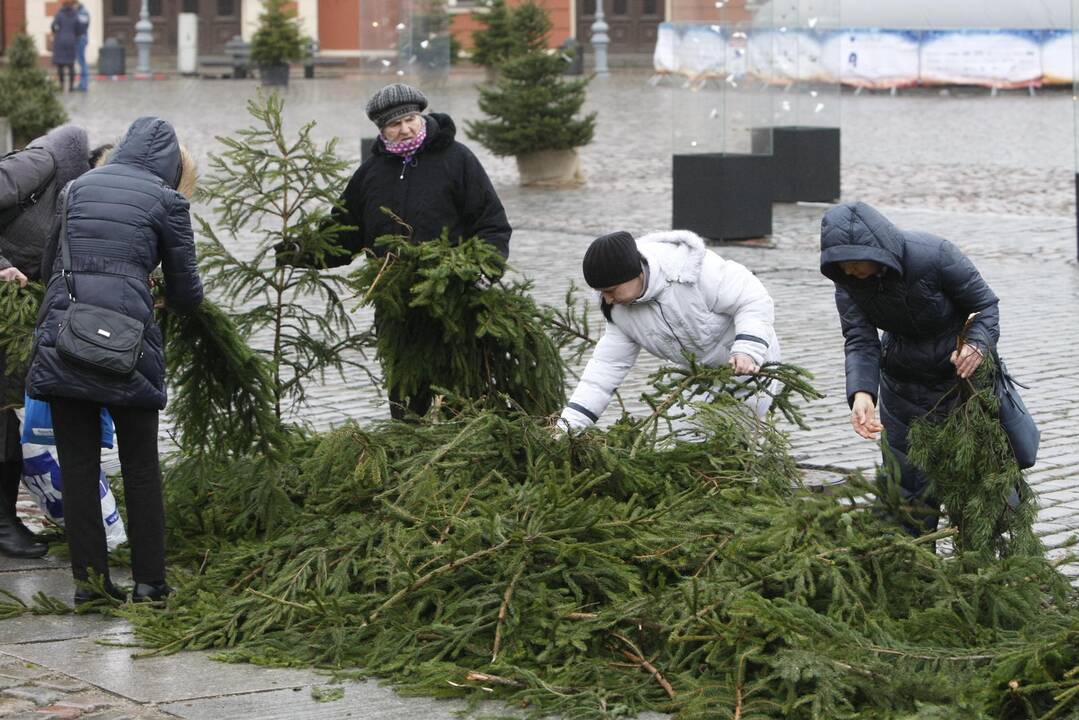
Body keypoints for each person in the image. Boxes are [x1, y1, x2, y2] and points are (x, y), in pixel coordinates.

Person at [27, 117, 203, 604]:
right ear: (172, 165)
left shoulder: (78, 187)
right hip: (130, 347)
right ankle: (151, 584)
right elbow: (188, 293)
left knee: (79, 466)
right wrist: (156, 293)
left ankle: (90, 586)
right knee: (141, 467)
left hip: (67, 336)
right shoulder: (168, 201)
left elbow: (47, 264)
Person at [282, 82, 512, 419]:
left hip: (455, 302)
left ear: (421, 117)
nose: (404, 129)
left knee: (462, 401)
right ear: (381, 129)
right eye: (394, 123)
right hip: (395, 308)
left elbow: (492, 223)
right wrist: (297, 251)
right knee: (405, 401)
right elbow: (343, 235)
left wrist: (483, 270)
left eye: (410, 119)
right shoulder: (370, 174)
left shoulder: (457, 159)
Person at [819, 201, 999, 534]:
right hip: (902, 388)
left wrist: (977, 344)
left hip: (961, 384)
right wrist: (861, 394)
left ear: (878, 253)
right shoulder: (848, 282)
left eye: (856, 264)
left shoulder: (935, 254)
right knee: (907, 491)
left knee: (972, 489)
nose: (851, 272)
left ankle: (976, 570)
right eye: (843, 266)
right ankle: (915, 569)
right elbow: (860, 339)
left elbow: (985, 307)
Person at [558, 230, 781, 431]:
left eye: (610, 290)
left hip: (749, 369)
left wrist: (746, 350)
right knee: (686, 438)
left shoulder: (692, 271)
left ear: (634, 274)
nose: (606, 299)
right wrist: (568, 425)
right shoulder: (617, 310)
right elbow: (606, 368)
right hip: (697, 377)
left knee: (736, 440)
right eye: (600, 291)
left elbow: (752, 299)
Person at [0, 125, 102, 558]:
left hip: (9, 312)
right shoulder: (45, 163)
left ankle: (4, 520)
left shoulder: (81, 200)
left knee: (5, 410)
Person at [50, 0, 83, 92]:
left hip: (60, 40)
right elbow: (79, 29)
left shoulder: (59, 14)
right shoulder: (75, 15)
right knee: (71, 64)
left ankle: (61, 86)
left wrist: (56, 32)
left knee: (60, 65)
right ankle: (71, 87)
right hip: (71, 40)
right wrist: (75, 35)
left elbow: (53, 26)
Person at [74, 1, 90, 92]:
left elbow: (81, 27)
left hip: (80, 39)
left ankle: (84, 85)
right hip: (79, 39)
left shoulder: (83, 12)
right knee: (80, 62)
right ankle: (82, 83)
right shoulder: (79, 12)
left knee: (82, 62)